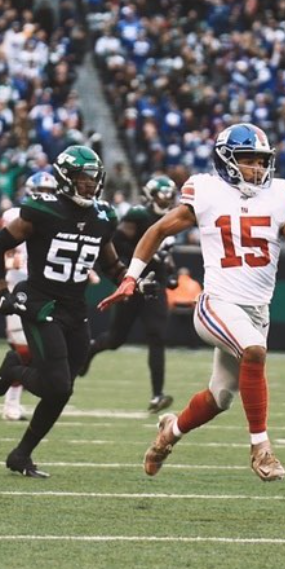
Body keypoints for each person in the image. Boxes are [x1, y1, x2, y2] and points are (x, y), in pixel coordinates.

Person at [99, 123, 285, 482]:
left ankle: (168, 434)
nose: (257, 168)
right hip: (217, 303)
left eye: (261, 160)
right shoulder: (206, 190)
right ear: (226, 160)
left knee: (219, 397)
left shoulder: (281, 194)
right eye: (248, 160)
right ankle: (261, 448)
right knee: (254, 350)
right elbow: (157, 230)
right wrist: (131, 276)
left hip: (257, 310)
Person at [0, 145, 156, 478]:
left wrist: (133, 281)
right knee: (58, 385)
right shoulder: (43, 210)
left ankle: (21, 454)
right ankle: (14, 369)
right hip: (39, 302)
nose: (90, 186)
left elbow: (109, 263)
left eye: (94, 180)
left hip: (75, 308)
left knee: (65, 385)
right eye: (83, 180)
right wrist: (1, 289)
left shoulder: (102, 216)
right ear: (65, 179)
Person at [79, 175, 178, 413]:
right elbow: (114, 245)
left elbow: (166, 252)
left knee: (157, 335)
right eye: (160, 197)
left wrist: (169, 269)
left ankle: (157, 395)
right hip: (133, 283)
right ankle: (91, 349)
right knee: (115, 339)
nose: (164, 202)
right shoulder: (139, 216)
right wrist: (144, 255)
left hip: (155, 286)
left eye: (168, 198)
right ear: (149, 196)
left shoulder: (177, 217)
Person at [0, 171, 59, 421]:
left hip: (44, 290)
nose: (45, 197)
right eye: (41, 192)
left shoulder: (57, 218)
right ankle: (10, 403)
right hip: (17, 287)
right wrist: (12, 262)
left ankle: (12, 386)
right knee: (24, 349)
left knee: (38, 352)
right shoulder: (14, 216)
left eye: (50, 193)